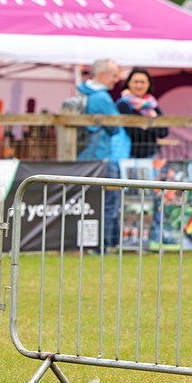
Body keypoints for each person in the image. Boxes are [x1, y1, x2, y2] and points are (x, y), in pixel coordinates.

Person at [76, 58, 131, 249]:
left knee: (90, 202)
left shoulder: (82, 92)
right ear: (103, 75)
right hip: (102, 158)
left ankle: (92, 244)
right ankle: (104, 244)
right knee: (109, 203)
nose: (116, 80)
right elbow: (115, 128)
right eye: (114, 75)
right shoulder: (101, 98)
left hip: (85, 157)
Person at [115, 68, 168, 158]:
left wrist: (145, 126)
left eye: (142, 82)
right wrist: (152, 125)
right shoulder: (123, 104)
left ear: (148, 84)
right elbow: (134, 132)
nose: (139, 85)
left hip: (151, 155)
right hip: (129, 155)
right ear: (128, 83)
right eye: (136, 82)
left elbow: (164, 132)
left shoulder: (151, 104)